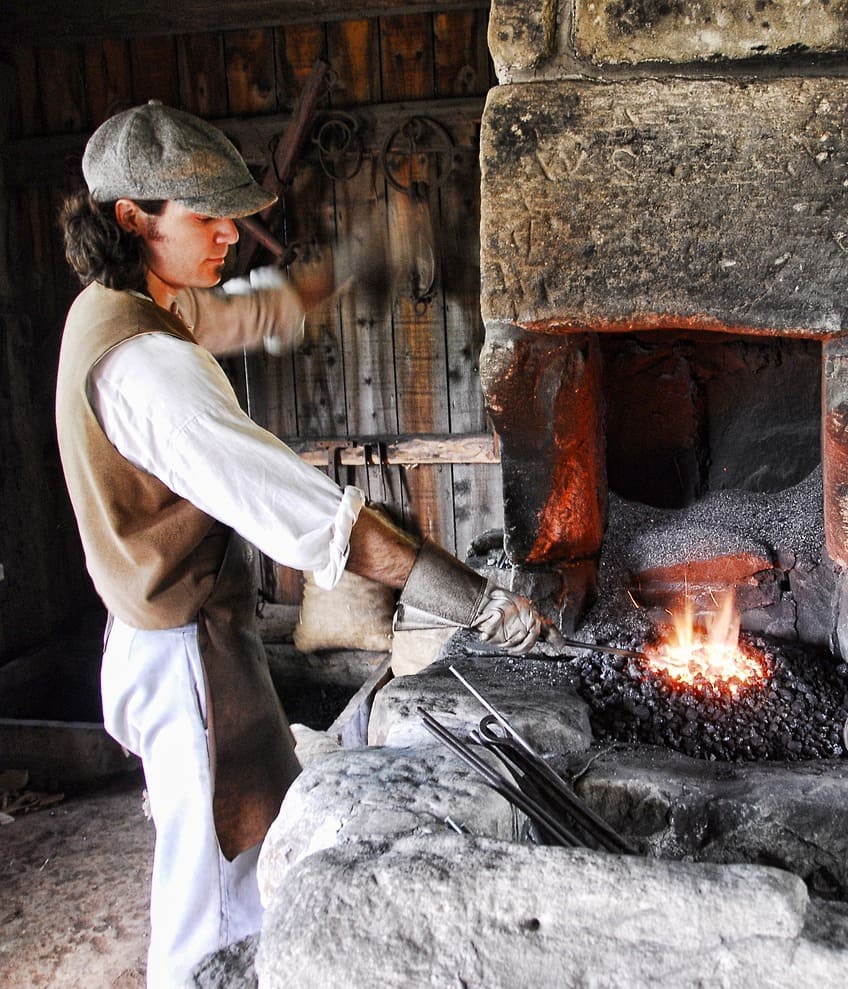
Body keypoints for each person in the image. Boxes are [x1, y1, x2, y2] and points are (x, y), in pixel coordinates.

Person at [54, 101, 555, 987]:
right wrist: (478, 603)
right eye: (205, 218)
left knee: (241, 860)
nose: (228, 234)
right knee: (214, 906)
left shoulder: (121, 305)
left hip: (164, 638)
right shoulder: (149, 369)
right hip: (187, 659)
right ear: (132, 216)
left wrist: (359, 266)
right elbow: (319, 522)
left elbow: (249, 313)